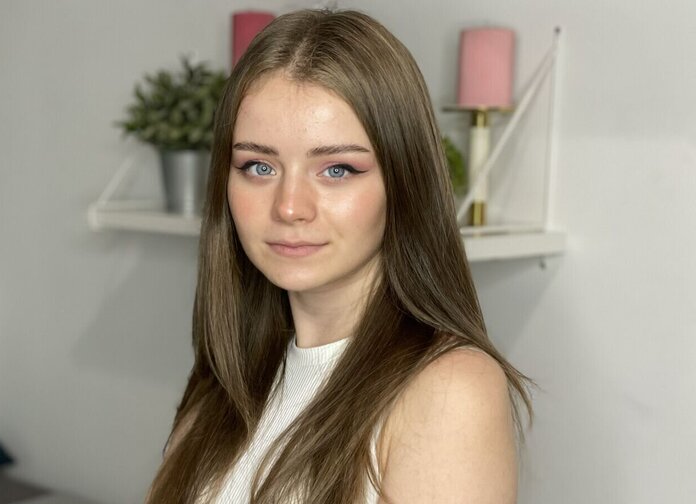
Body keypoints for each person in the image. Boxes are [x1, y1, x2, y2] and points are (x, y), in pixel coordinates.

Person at [145, 7, 531, 504]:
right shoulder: (222, 384)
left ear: (404, 180)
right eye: (259, 166)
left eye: (337, 170)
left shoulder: (449, 390)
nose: (289, 207)